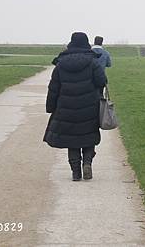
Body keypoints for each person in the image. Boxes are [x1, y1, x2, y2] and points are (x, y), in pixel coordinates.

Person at [43, 32, 107, 181]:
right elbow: (101, 81)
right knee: (88, 137)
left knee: (72, 141)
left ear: (71, 43)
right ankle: (87, 163)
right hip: (89, 107)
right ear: (86, 43)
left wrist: (50, 107)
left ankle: (76, 172)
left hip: (66, 108)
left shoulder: (60, 64)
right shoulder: (92, 62)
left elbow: (54, 88)